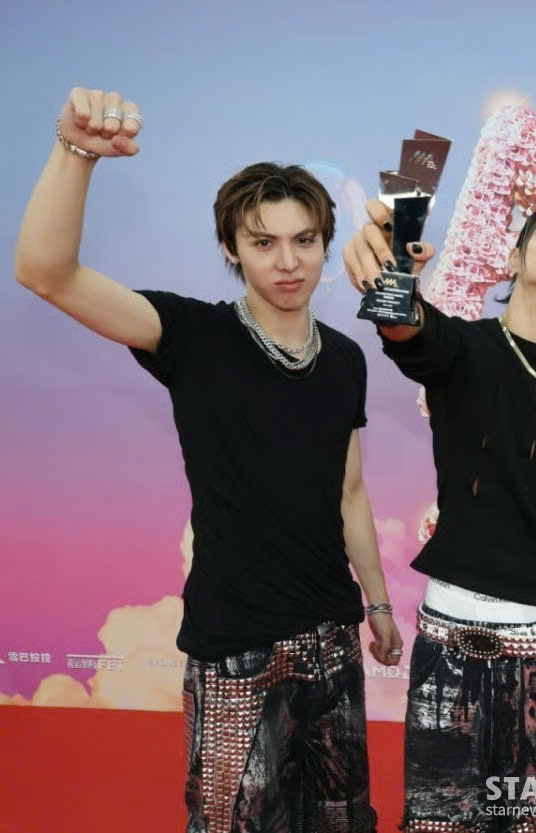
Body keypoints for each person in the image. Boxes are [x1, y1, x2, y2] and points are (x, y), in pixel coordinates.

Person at [14, 87, 398, 832]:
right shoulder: (192, 335)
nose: (287, 261)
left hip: (332, 637)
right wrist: (76, 149)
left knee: (345, 821)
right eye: (263, 242)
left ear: (326, 244)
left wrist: (377, 605)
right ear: (231, 248)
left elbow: (350, 490)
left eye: (304, 240)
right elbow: (46, 272)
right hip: (234, 647)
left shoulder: (346, 359)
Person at [343, 200, 536, 831]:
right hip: (450, 652)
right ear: (514, 258)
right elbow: (406, 329)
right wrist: (394, 269)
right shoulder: (466, 349)